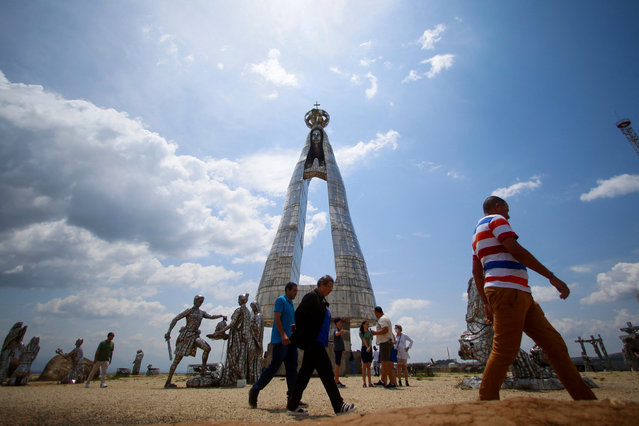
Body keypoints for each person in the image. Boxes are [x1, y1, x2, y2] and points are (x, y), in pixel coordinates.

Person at [471, 195, 597, 401]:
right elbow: (516, 250)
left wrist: (486, 302)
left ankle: (585, 400)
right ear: (497, 206)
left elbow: (477, 271)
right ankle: (485, 403)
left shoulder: (476, 234)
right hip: (508, 291)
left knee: (554, 344)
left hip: (518, 294)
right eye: (506, 208)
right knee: (504, 351)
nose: (508, 214)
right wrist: (552, 277)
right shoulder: (497, 221)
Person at [287, 275, 357, 416]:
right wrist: (306, 333)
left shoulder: (321, 300)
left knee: (304, 375)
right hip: (314, 343)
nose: (331, 290)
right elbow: (299, 315)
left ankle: (292, 406)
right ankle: (339, 406)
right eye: (329, 286)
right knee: (326, 373)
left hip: (317, 342)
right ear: (322, 285)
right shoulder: (311, 297)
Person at [249, 282, 302, 409]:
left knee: (292, 370)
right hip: (280, 341)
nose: (296, 292)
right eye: (294, 290)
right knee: (273, 367)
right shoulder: (281, 300)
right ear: (287, 290)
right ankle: (255, 390)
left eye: (296, 290)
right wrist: (283, 335)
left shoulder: (291, 304)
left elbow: (290, 322)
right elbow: (277, 319)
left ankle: (293, 398)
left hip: (291, 342)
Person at [164, 295, 226, 388]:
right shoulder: (189, 310)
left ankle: (203, 369)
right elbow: (175, 319)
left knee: (207, 348)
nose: (200, 302)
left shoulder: (201, 312)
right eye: (199, 300)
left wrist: (221, 316)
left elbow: (211, 316)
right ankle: (168, 382)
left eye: (202, 301)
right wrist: (169, 331)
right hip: (186, 336)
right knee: (177, 359)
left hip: (194, 336)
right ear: (195, 301)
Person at [371, 306, 397, 388]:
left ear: (377, 312)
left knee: (385, 362)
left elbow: (385, 329)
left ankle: (383, 380)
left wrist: (375, 333)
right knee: (388, 363)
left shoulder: (382, 319)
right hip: (387, 342)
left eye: (374, 312)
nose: (374, 314)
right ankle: (391, 382)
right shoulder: (385, 318)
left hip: (385, 343)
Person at [332, 317, 347, 388]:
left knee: (338, 365)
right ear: (337, 323)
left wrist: (343, 349)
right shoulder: (336, 330)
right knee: (337, 365)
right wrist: (341, 332)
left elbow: (340, 341)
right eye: (340, 322)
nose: (341, 323)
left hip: (339, 350)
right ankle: (336, 381)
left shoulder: (338, 330)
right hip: (337, 350)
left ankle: (337, 380)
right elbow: (336, 334)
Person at [359, 320, 374, 387]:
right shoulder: (361, 332)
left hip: (369, 349)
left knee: (369, 366)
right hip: (364, 348)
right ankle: (364, 382)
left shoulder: (370, 332)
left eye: (368, 324)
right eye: (366, 324)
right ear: (363, 325)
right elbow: (363, 340)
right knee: (364, 366)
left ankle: (370, 382)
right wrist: (367, 347)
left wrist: (369, 347)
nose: (368, 324)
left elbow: (371, 340)